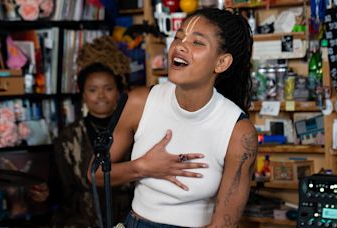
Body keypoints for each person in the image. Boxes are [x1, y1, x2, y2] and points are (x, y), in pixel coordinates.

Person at [88, 8, 258, 228]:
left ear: (222, 63)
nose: (179, 46)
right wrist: (143, 167)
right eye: (178, 37)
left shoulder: (239, 133)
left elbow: (223, 224)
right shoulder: (139, 102)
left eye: (197, 43)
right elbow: (96, 175)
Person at [30, 62, 133, 227]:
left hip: (126, 218)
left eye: (108, 88)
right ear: (83, 95)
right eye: (93, 90)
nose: (100, 95)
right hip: (79, 219)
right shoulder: (67, 137)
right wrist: (45, 193)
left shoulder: (134, 131)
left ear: (119, 93)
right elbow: (58, 186)